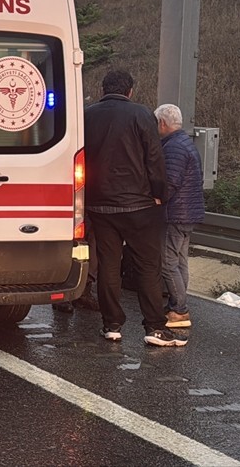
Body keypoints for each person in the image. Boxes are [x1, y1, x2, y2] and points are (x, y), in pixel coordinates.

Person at [84, 69, 186, 347]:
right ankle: (154, 327)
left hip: (99, 204)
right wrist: (159, 194)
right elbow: (154, 157)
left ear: (104, 89)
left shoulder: (87, 115)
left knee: (108, 266)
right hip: (138, 205)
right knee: (147, 266)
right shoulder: (141, 115)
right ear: (130, 91)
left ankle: (112, 325)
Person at [154, 103, 205, 329]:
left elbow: (171, 181)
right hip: (188, 213)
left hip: (176, 213)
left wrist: (158, 198)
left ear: (162, 123)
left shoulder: (173, 147)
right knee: (181, 262)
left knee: (167, 263)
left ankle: (179, 311)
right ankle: (178, 305)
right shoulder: (186, 143)